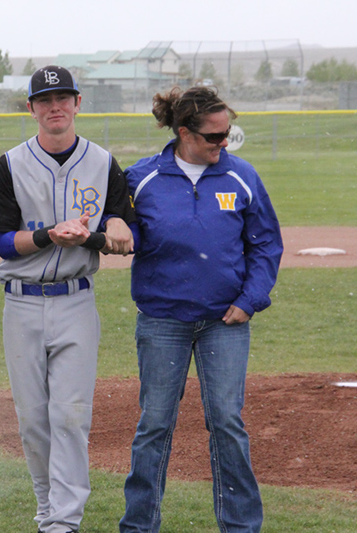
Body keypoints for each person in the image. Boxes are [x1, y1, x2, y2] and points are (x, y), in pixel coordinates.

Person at [119, 86, 283, 533]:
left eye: (227, 133)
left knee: (227, 423)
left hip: (223, 323)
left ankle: (240, 527)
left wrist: (250, 300)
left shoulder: (241, 176)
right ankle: (138, 526)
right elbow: (119, 226)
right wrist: (116, 228)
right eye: (214, 136)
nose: (223, 143)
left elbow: (266, 244)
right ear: (184, 132)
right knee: (154, 425)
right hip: (162, 321)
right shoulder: (141, 178)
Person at [0, 65, 135, 533]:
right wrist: (49, 235)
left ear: (77, 103)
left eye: (63, 98)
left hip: (76, 302)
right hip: (22, 303)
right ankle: (46, 507)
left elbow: (124, 230)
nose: (56, 107)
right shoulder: (11, 164)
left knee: (70, 417)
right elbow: (4, 243)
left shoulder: (103, 162)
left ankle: (62, 523)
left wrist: (105, 232)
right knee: (33, 420)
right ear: (31, 108)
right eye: (45, 100)